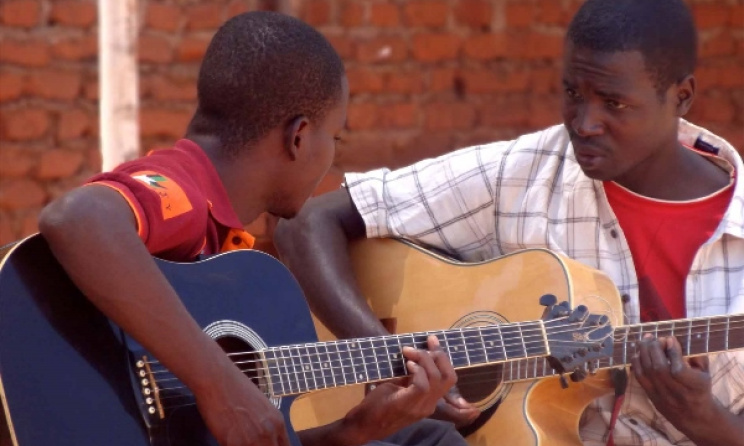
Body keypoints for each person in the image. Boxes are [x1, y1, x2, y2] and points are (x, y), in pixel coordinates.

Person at [274, 0, 744, 445]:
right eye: (572, 93)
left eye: (614, 104)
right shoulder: (522, 172)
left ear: (681, 97)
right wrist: (396, 365)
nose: (583, 123)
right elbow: (306, 225)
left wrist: (708, 423)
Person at [38, 11, 467, 446]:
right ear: (298, 137)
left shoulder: (224, 244)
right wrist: (219, 385)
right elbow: (78, 217)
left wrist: (356, 429)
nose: (332, 159)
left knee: (421, 436)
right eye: (334, 139)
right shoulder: (183, 189)